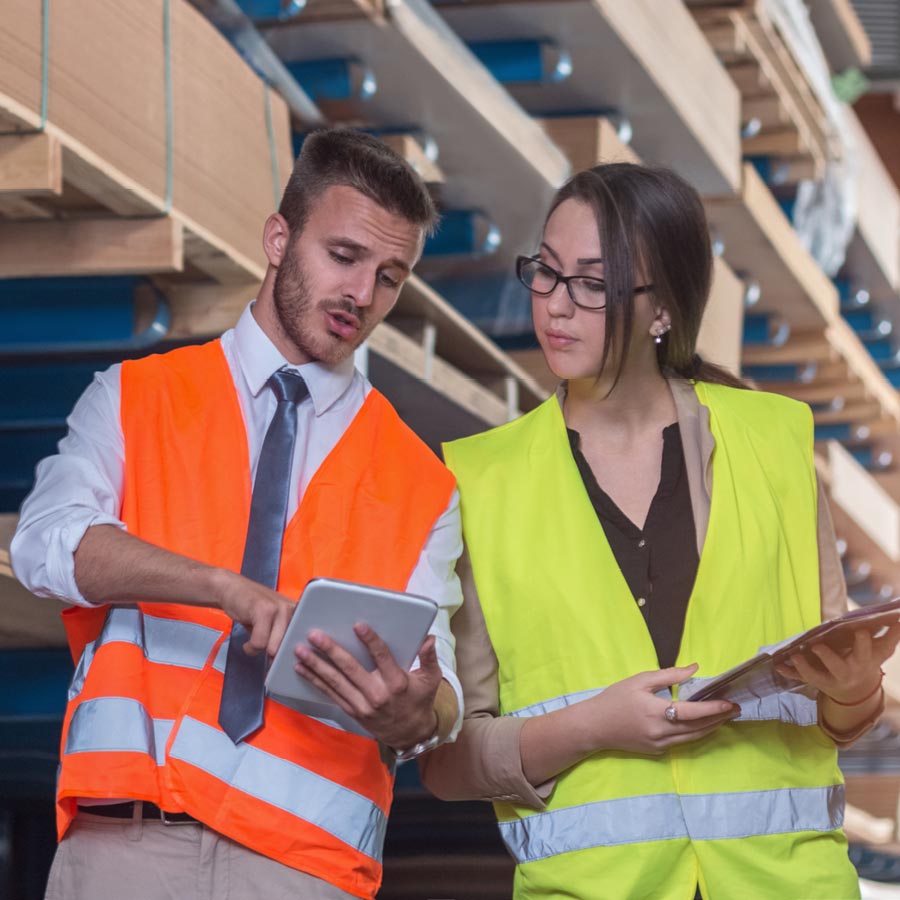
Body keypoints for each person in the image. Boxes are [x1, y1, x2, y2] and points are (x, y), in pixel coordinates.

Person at [419, 162, 900, 900]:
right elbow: (447, 764)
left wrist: (857, 688)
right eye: (545, 273)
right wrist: (593, 728)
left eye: (593, 284)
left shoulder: (771, 442)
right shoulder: (482, 481)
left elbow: (835, 706)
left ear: (663, 311)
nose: (556, 305)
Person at [11, 127, 464, 900]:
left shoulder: (422, 481)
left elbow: (441, 686)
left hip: (304, 870)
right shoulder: (135, 398)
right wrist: (225, 589)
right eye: (345, 256)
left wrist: (419, 715)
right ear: (278, 238)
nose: (363, 294)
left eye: (391, 276)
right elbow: (45, 546)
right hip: (126, 846)